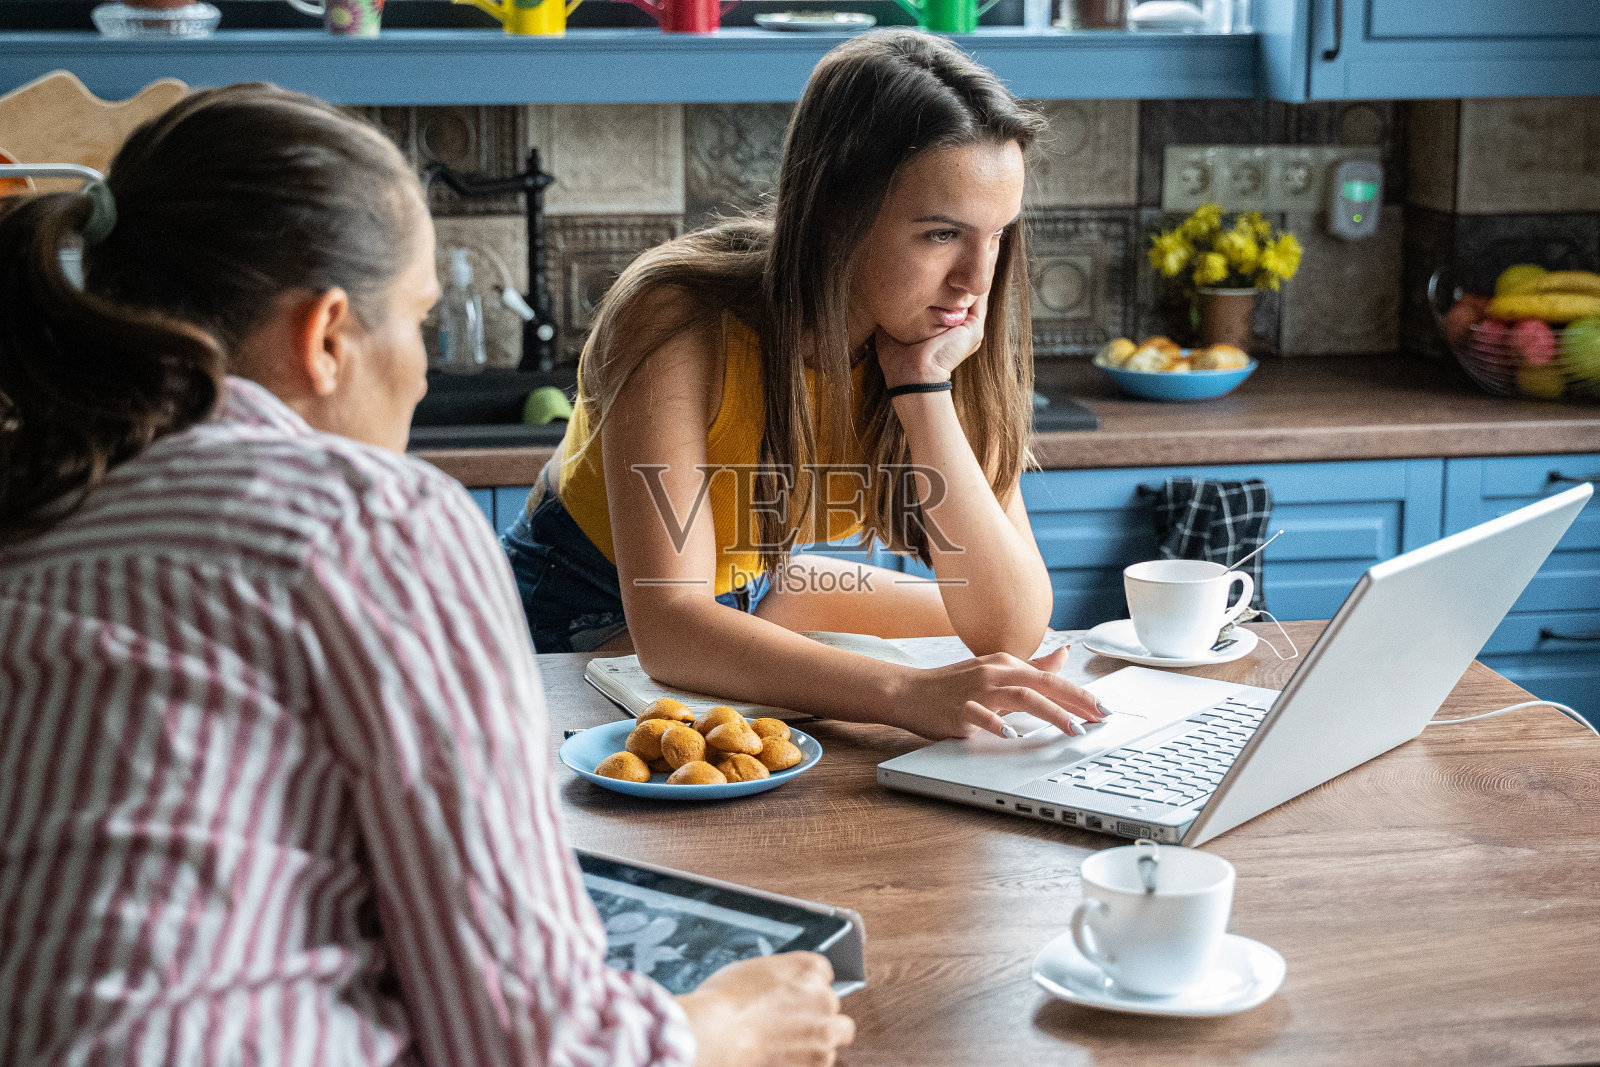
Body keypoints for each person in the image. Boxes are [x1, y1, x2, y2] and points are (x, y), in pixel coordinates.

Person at [0, 84, 852, 1067]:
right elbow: (530, 1041)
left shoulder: (32, 498)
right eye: (418, 322)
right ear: (325, 336)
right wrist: (720, 1027)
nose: (421, 375)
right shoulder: (370, 518)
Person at [503, 29, 1106, 741]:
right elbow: (669, 626)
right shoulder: (677, 318)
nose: (977, 279)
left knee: (1017, 654)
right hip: (581, 611)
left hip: (756, 589)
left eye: (997, 234)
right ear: (837, 215)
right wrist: (906, 694)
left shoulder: (937, 335)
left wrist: (922, 389)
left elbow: (1009, 627)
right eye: (941, 235)